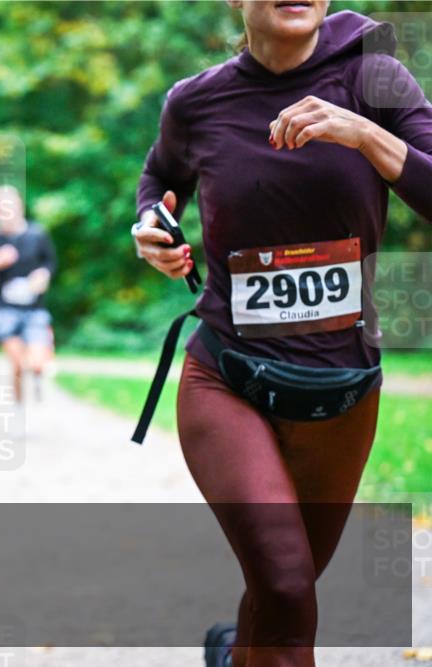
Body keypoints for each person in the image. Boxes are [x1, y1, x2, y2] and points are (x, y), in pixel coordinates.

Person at [132, 4, 432, 667]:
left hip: (344, 386)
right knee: (289, 587)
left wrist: (364, 135)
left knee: (278, 596)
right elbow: (160, 180)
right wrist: (149, 225)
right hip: (227, 377)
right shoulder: (196, 102)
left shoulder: (374, 76)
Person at [0, 185, 57, 403]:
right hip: (5, 311)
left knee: (36, 363)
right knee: (18, 363)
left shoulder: (37, 234)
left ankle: (39, 374)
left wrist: (43, 275)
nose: (7, 213)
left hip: (34, 309)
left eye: (11, 206)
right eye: (2, 209)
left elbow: (50, 263)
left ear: (20, 206)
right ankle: (19, 407)